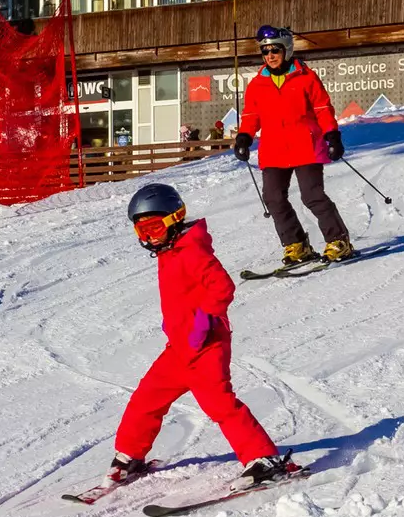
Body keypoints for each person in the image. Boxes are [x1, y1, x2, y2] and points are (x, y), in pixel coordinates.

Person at [109, 183, 297, 486]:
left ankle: (263, 459)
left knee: (221, 405)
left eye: (154, 227)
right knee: (146, 399)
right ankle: (129, 457)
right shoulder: (168, 251)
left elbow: (223, 287)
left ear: (175, 218)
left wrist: (204, 321)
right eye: (142, 232)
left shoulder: (192, 250)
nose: (150, 236)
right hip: (179, 348)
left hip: (206, 345)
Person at [235, 25, 355, 266]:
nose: (269, 56)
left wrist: (332, 135)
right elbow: (251, 116)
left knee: (312, 196)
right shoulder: (257, 84)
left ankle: (338, 240)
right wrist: (244, 137)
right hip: (273, 149)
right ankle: (297, 244)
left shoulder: (306, 78)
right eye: (265, 52)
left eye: (274, 50)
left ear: (286, 50)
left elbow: (322, 109)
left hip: (306, 146)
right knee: (273, 198)